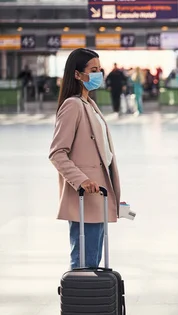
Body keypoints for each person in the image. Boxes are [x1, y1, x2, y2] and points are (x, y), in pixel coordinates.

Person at [49, 48, 122, 269]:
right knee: (84, 261)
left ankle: (89, 302)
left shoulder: (88, 103)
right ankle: (79, 303)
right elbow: (57, 153)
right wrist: (81, 180)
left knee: (92, 260)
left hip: (98, 193)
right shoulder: (72, 106)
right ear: (77, 74)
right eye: (93, 70)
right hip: (86, 193)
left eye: (100, 69)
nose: (99, 74)